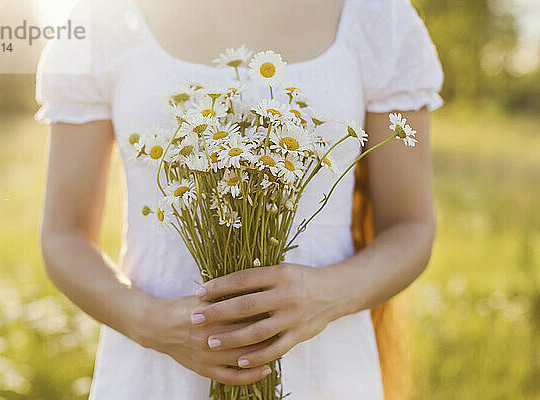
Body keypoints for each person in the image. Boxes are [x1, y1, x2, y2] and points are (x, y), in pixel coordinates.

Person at [35, 0, 443, 398]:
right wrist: (152, 323)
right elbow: (64, 235)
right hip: (154, 375)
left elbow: (411, 226)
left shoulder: (380, 18)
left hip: (325, 372)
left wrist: (329, 294)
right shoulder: (103, 18)